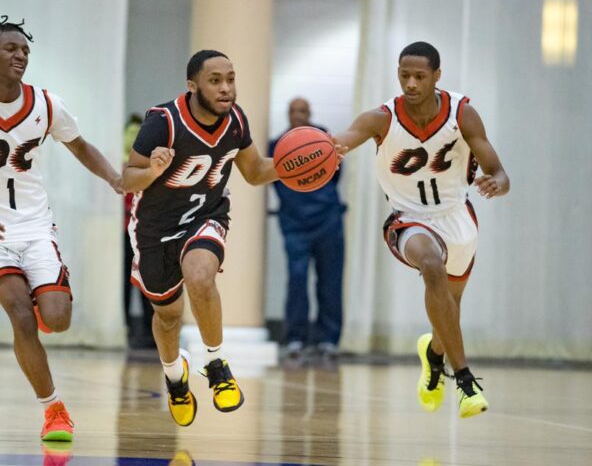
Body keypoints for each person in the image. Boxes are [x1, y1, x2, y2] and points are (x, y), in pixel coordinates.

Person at [0, 12, 121, 441]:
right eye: (11, 49)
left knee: (58, 318)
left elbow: (81, 146)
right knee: (20, 316)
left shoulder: (46, 104)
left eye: (25, 50)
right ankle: (53, 409)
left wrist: (113, 177)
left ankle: (45, 299)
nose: (21, 55)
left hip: (35, 224)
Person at [122, 50, 337, 426]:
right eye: (215, 80)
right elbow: (127, 179)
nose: (226, 89)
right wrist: (153, 170)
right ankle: (175, 377)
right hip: (155, 229)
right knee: (168, 317)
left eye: (231, 79)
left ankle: (216, 363)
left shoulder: (236, 121)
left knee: (201, 276)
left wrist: (306, 161)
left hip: (206, 216)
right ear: (192, 86)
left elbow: (255, 172)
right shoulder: (163, 122)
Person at [334, 41, 509, 418]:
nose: (410, 83)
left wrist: (497, 182)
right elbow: (342, 142)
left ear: (437, 76)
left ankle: (434, 356)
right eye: (404, 75)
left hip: (456, 216)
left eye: (419, 76)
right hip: (407, 218)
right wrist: (325, 151)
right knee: (431, 267)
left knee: (449, 310)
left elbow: (499, 171)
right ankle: (464, 380)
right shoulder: (380, 119)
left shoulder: (463, 114)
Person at [269, 98, 346, 362]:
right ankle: (295, 339)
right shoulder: (275, 146)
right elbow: (274, 182)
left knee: (330, 281)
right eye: (293, 111)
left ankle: (328, 340)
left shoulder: (324, 140)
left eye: (302, 111)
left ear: (310, 113)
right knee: (297, 279)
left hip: (328, 221)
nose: (298, 115)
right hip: (294, 225)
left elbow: (335, 176)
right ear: (288, 115)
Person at [122, 113, 155, 349]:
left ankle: (144, 331)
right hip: (131, 230)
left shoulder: (147, 164)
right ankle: (137, 331)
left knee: (143, 283)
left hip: (140, 230)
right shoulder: (129, 164)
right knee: (136, 282)